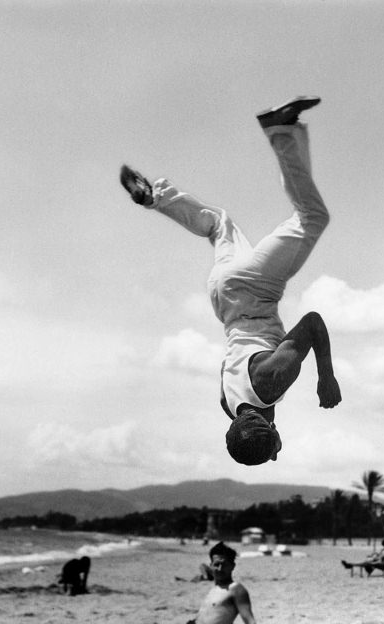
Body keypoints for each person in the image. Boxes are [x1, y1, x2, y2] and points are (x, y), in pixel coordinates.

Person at [120, 96, 341, 466]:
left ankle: (280, 130)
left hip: (254, 291)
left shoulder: (271, 381)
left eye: (272, 450)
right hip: (224, 299)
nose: (277, 455)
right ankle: (156, 197)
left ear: (270, 433)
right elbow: (251, 415)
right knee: (220, 224)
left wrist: (326, 377)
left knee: (312, 218)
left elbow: (313, 324)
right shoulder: (229, 404)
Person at [147, 542, 264, 624]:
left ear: (233, 566)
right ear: (211, 566)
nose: (220, 568)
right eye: (216, 564)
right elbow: (226, 619)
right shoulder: (215, 589)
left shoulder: (236, 589)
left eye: (224, 564)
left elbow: (250, 623)